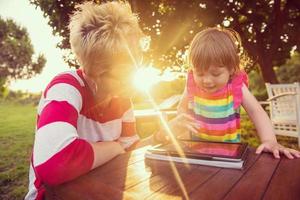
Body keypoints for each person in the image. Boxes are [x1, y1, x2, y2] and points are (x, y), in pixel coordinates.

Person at [25, 2, 146, 199]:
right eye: (126, 73)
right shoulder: (66, 87)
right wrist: (114, 147)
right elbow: (54, 162)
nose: (133, 80)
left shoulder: (122, 99)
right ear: (98, 71)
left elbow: (130, 149)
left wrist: (158, 140)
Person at [154, 27, 300, 159]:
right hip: (196, 153)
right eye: (199, 73)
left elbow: (257, 112)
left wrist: (269, 141)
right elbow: (182, 108)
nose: (207, 81)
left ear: (231, 69)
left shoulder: (236, 86)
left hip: (228, 156)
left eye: (215, 74)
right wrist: (182, 118)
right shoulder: (192, 84)